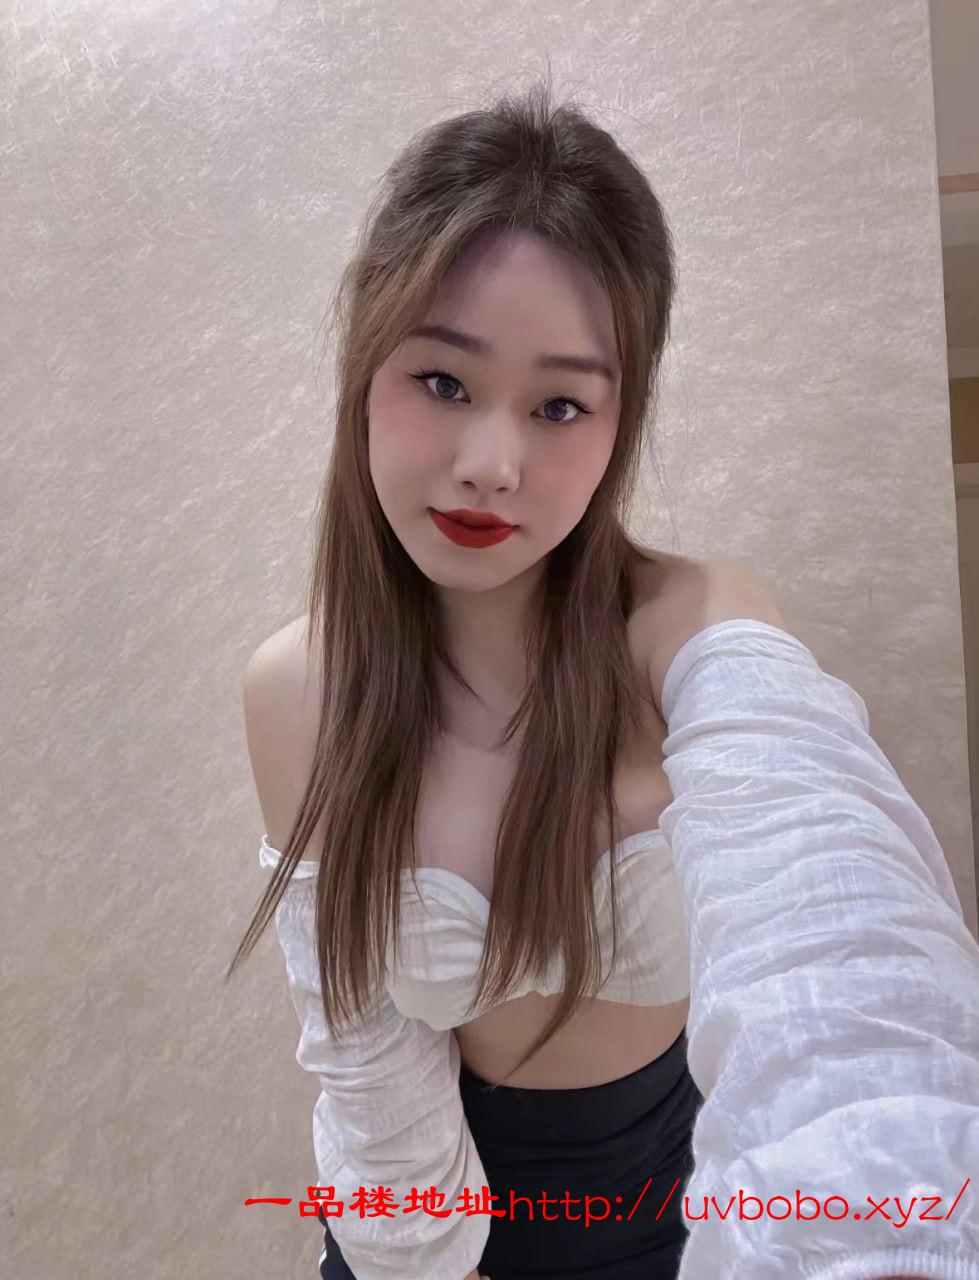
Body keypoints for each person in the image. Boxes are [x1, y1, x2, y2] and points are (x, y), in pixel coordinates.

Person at [226, 77, 979, 1280]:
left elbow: (836, 945)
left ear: (619, 422)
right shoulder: (295, 689)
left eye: (559, 403)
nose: (491, 461)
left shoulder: (698, 631)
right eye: (442, 381)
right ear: (364, 365)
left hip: (688, 1212)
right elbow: (363, 1057)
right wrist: (420, 1263)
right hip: (414, 1220)